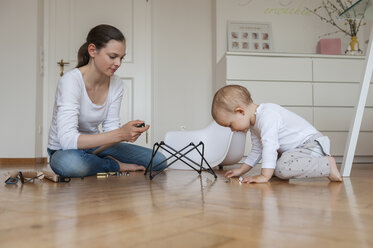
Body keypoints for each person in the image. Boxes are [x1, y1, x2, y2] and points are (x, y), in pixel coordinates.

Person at [47, 24, 166, 177]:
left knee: (158, 160)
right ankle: (113, 165)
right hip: (65, 150)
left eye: (121, 58)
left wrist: (125, 134)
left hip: (98, 147)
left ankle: (96, 162)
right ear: (92, 51)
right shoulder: (70, 81)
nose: (118, 63)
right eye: (112, 56)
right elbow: (67, 140)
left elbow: (111, 130)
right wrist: (120, 134)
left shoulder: (116, 84)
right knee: (72, 165)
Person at [211, 85, 342, 183]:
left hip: (311, 145)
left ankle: (327, 165)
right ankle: (277, 170)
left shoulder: (267, 116)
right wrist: (242, 170)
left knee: (281, 168)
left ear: (240, 112)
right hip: (295, 150)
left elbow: (270, 146)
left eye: (230, 125)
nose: (232, 130)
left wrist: (265, 175)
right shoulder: (254, 124)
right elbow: (258, 150)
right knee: (277, 164)